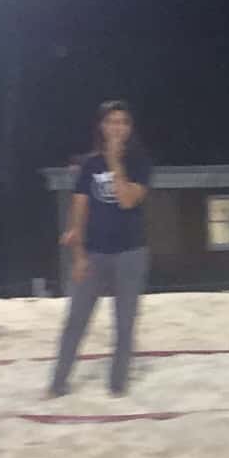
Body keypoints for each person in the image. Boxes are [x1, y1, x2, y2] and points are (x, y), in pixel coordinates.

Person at [49, 101, 152, 398]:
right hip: (93, 253)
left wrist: (116, 162)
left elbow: (127, 199)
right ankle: (58, 384)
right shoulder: (89, 165)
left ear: (130, 129)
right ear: (102, 127)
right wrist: (78, 255)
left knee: (125, 323)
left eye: (123, 122)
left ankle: (117, 387)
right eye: (111, 122)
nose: (117, 128)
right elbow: (79, 209)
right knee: (75, 321)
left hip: (130, 253)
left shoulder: (140, 162)